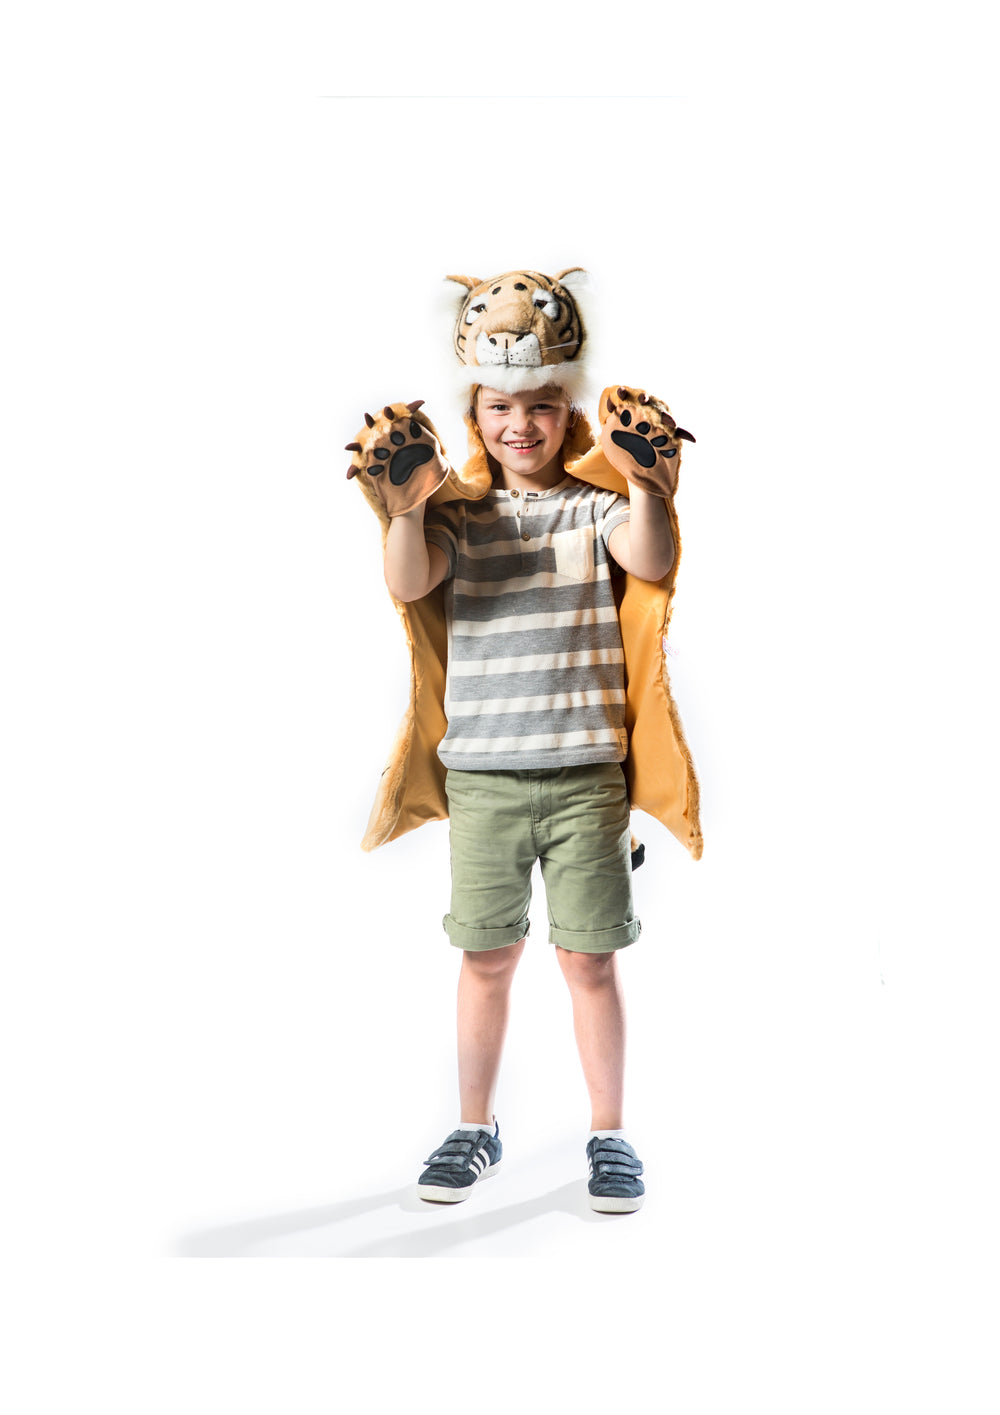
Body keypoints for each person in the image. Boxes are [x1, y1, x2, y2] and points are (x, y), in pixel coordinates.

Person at [381, 382, 675, 1214]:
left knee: (590, 959)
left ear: (570, 409)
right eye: (500, 408)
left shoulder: (594, 507)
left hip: (587, 775)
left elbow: (651, 560)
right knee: (486, 957)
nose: (521, 424)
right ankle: (475, 1125)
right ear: (474, 417)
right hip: (484, 777)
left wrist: (649, 484)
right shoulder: (461, 519)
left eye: (541, 405)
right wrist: (406, 504)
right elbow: (409, 581)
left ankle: (610, 1132)